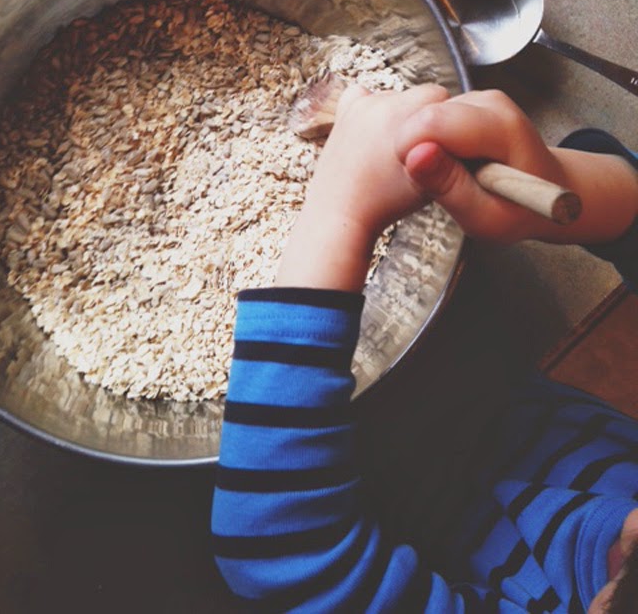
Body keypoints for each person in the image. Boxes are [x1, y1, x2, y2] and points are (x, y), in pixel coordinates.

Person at [211, 84, 638, 612]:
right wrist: (580, 188)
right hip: (506, 399)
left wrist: (338, 214)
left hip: (376, 503)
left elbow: (283, 556)